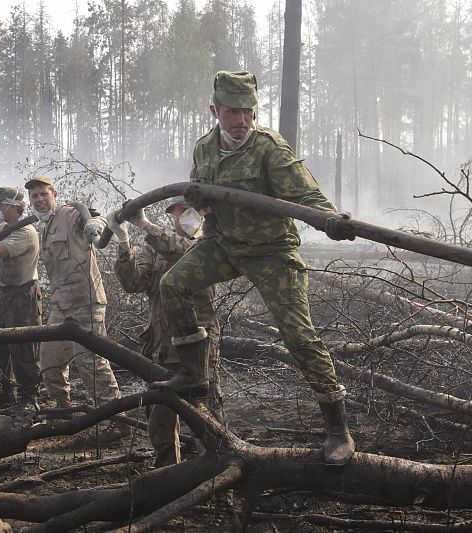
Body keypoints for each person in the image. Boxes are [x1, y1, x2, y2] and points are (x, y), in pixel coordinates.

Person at [158, 70, 356, 466]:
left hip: (271, 252)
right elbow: (201, 203)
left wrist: (331, 219)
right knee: (173, 284)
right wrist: (196, 199)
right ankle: (193, 373)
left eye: (248, 112)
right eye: (232, 111)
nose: (241, 120)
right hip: (223, 246)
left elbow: (306, 193)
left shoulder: (269, 148)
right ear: (215, 110)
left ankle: (338, 429)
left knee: (299, 337)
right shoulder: (204, 149)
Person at [107, 196, 220, 468]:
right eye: (174, 213)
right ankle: (167, 475)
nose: (179, 217)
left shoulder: (209, 244)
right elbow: (134, 283)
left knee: (206, 416)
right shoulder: (156, 248)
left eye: (185, 211)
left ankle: (217, 476)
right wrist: (124, 242)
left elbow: (182, 252)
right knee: (159, 418)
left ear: (201, 213)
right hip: (162, 345)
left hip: (196, 348)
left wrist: (145, 225)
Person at [24, 176, 126, 441]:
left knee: (91, 362)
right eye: (34, 196)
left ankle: (117, 422)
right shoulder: (44, 225)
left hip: (86, 302)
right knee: (49, 359)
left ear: (54, 194)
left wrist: (96, 223)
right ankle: (63, 411)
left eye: (43, 194)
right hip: (61, 304)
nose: (39, 200)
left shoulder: (69, 214)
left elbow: (97, 220)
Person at [0, 187, 42, 410]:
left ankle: (28, 398)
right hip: (4, 295)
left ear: (14, 207)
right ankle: (5, 393)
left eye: (1, 205)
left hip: (23, 296)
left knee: (23, 348)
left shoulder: (25, 232)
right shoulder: (2, 229)